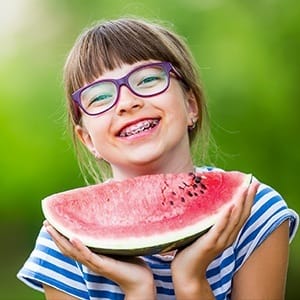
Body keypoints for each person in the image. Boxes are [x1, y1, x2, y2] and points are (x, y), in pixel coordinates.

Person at [17, 17, 298, 300]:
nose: (128, 103)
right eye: (100, 97)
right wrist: (138, 290)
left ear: (191, 106)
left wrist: (191, 281)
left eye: (149, 79)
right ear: (88, 140)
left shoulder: (253, 212)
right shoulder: (65, 245)